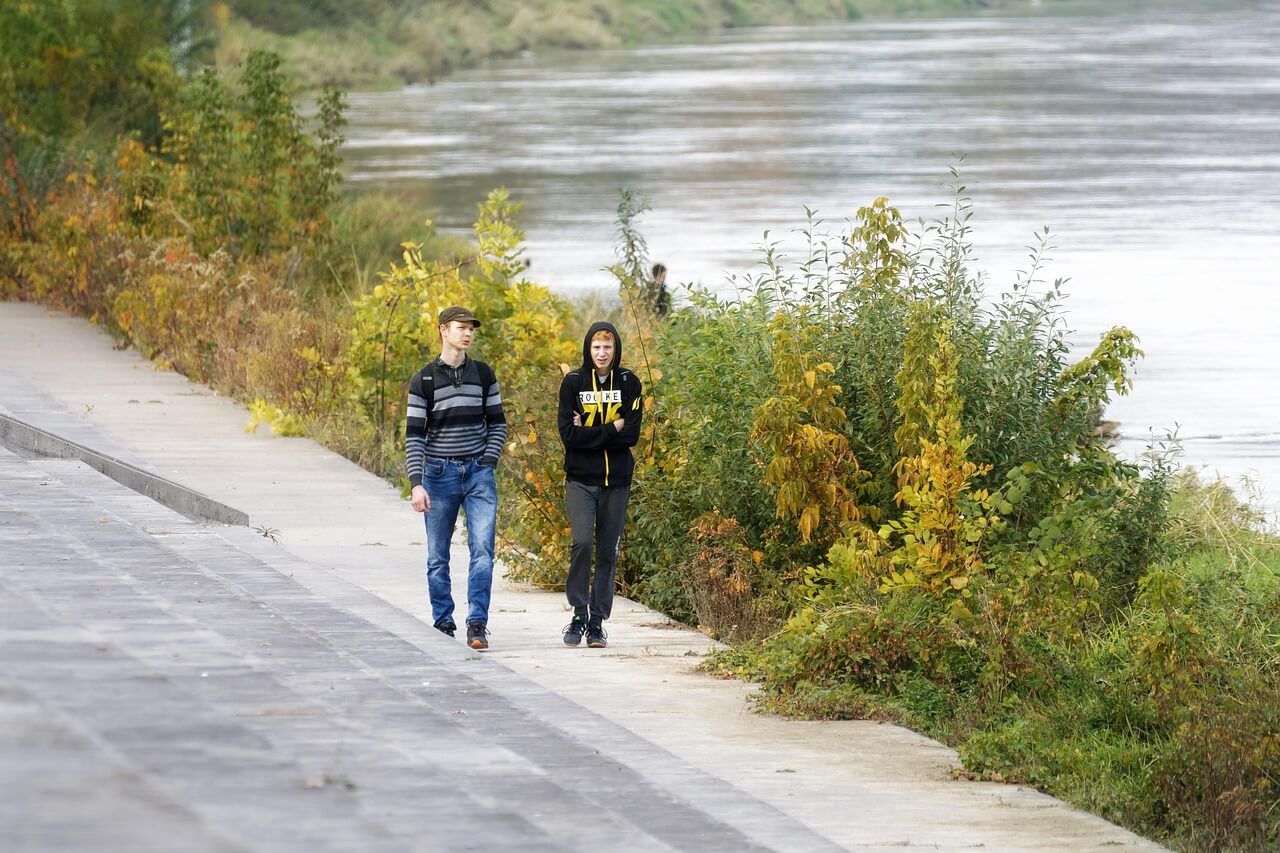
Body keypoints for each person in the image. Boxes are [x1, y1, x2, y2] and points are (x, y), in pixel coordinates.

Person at [406, 306, 508, 650]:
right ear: (443, 330)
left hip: (478, 472)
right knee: (438, 555)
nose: (467, 334)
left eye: (471, 329)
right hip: (438, 473)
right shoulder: (424, 380)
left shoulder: (483, 373)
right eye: (461, 328)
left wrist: (489, 458)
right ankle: (443, 621)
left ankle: (477, 623)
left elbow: (497, 422)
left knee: (483, 550)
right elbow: (414, 435)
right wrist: (416, 482)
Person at [557, 321, 643, 648]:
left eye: (607, 347)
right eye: (596, 347)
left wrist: (589, 432)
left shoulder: (629, 383)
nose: (602, 353)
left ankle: (596, 623)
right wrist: (612, 427)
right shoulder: (573, 383)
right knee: (582, 544)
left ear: (616, 349)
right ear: (588, 349)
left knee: (608, 551)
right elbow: (568, 435)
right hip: (580, 479)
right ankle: (579, 612)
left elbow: (632, 434)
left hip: (617, 481)